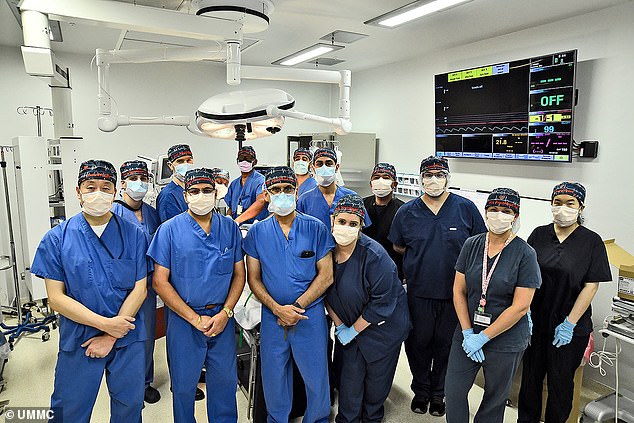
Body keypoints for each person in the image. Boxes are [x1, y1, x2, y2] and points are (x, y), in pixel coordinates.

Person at [30, 160, 148, 423]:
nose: (98, 193)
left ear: (116, 192)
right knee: (69, 410)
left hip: (127, 336)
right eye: (90, 186)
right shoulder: (57, 238)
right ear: (78, 191)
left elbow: (140, 289)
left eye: (106, 187)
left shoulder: (135, 235)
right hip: (80, 336)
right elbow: (56, 298)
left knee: (129, 408)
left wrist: (110, 336)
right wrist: (105, 325)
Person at [388, 156, 486, 416]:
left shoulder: (465, 209)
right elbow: (398, 244)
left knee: (446, 345)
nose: (434, 180)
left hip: (455, 294)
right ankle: (421, 390)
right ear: (421, 179)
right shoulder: (407, 212)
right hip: (419, 292)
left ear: (447, 178)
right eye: (428, 175)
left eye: (439, 174)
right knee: (417, 343)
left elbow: (479, 246)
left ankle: (439, 393)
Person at [147, 168, 245, 423]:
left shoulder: (230, 228)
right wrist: (194, 319)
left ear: (216, 193)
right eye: (195, 191)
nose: (201, 196)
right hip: (183, 321)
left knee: (224, 384)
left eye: (207, 191)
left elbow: (239, 275)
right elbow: (159, 282)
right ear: (185, 195)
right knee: (183, 386)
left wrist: (226, 312)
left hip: (222, 319)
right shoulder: (169, 231)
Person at [243, 166, 335, 423]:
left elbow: (326, 275)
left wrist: (295, 307)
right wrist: (277, 309)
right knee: (274, 376)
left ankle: (317, 419)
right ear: (266, 195)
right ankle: (277, 419)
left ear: (296, 192)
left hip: (309, 315)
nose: (282, 194)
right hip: (274, 317)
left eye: (287, 189)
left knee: (316, 375)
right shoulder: (258, 232)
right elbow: (254, 278)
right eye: (275, 190)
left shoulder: (315, 228)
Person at [445, 188, 542, 423]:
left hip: (505, 338)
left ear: (516, 216)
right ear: (485, 212)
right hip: (468, 331)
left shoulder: (525, 253)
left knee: (494, 398)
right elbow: (459, 290)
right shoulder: (472, 244)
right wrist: (468, 332)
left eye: (506, 211)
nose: (499, 215)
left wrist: (484, 337)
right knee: (454, 390)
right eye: (494, 209)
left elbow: (520, 306)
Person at [518, 182, 611, 423]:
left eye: (570, 203)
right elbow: (526, 275)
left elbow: (591, 285)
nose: (563, 208)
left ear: (581, 206)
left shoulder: (591, 241)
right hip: (535, 323)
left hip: (570, 327)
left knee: (560, 386)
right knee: (530, 380)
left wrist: (570, 323)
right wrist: (526, 311)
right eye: (557, 203)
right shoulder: (539, 234)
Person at [325, 194, 411, 423]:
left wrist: (354, 329)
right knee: (349, 383)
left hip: (383, 329)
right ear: (332, 220)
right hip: (349, 323)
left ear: (361, 225)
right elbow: (323, 291)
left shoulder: (375, 257)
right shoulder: (325, 251)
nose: (346, 227)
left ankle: (372, 418)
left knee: (375, 387)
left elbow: (383, 303)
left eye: (353, 224)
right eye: (341, 221)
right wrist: (341, 324)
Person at [111, 160, 162, 404]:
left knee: (147, 335)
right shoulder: (114, 213)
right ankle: (127, 386)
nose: (139, 183)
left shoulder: (152, 213)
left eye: (143, 178)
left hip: (149, 287)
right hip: (124, 287)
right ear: (123, 183)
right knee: (126, 335)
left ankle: (144, 382)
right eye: (134, 178)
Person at [297, 147, 371, 229]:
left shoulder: (352, 197)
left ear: (336, 167)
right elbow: (299, 230)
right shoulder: (304, 200)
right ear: (313, 168)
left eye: (328, 163)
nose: (324, 167)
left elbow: (364, 230)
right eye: (319, 164)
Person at [362, 162, 405, 279]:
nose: (380, 180)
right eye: (376, 178)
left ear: (394, 184)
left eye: (386, 178)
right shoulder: (361, 205)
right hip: (363, 266)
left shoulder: (403, 210)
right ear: (371, 184)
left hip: (392, 268)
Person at [226, 146, 269, 224]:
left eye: (248, 158)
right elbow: (231, 208)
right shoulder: (234, 184)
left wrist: (238, 220)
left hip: (255, 226)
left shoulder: (261, 181)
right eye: (241, 158)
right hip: (237, 227)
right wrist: (229, 219)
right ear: (237, 161)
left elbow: (261, 201)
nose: (244, 161)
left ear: (255, 162)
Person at [156, 144, 194, 223]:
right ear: (170, 165)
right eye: (180, 161)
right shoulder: (168, 195)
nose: (185, 164)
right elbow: (172, 230)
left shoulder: (193, 190)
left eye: (188, 160)